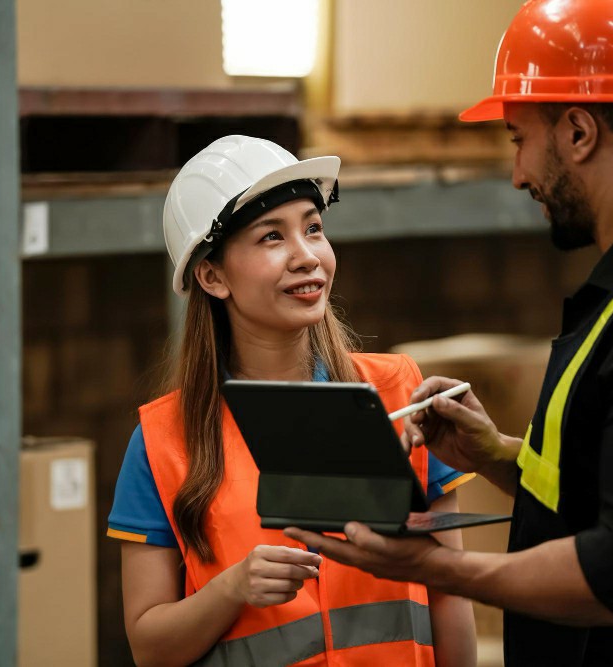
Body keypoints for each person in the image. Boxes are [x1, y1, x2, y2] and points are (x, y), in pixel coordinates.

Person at [287, 1, 613, 666]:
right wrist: (495, 453)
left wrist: (432, 566)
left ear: (579, 132)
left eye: (518, 138)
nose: (518, 174)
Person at [107, 135, 478, 666]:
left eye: (313, 228)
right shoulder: (162, 443)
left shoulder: (400, 393)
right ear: (212, 275)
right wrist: (232, 587)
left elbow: (451, 593)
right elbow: (150, 648)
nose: (307, 257)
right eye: (271, 237)